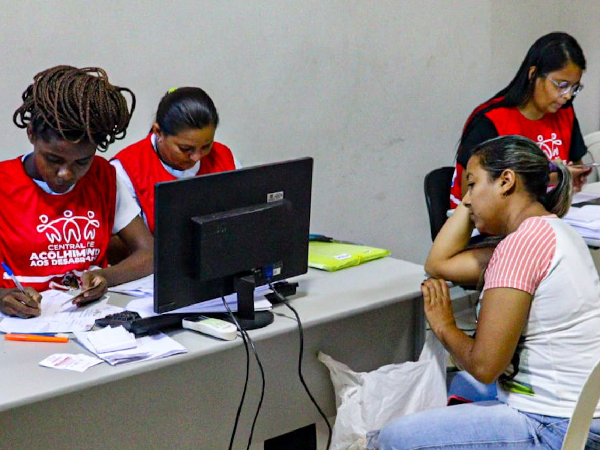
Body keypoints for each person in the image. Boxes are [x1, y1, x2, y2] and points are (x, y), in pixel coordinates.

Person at [372, 136, 600, 449]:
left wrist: (444, 326)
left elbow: (485, 367)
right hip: (585, 409)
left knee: (392, 439)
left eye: (472, 184)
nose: (464, 200)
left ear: (506, 181)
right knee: (461, 384)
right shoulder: (553, 230)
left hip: (557, 426)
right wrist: (479, 199)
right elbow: (439, 263)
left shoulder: (520, 247)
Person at [0, 65, 153, 318]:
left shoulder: (103, 176)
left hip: (90, 322)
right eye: (53, 159)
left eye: (82, 162)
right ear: (31, 135)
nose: (66, 174)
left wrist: (106, 276)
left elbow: (148, 252)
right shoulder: (4, 183)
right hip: (19, 327)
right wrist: (1, 296)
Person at [450, 32, 591, 209]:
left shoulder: (564, 112)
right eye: (561, 85)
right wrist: (551, 177)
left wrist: (575, 175)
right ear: (533, 74)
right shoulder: (491, 121)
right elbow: (473, 196)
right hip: (487, 225)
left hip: (544, 215)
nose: (568, 95)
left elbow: (574, 164)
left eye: (574, 87)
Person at [111, 86, 241, 234]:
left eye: (206, 146)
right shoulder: (125, 170)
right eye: (185, 149)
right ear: (158, 132)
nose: (197, 157)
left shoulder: (224, 157)